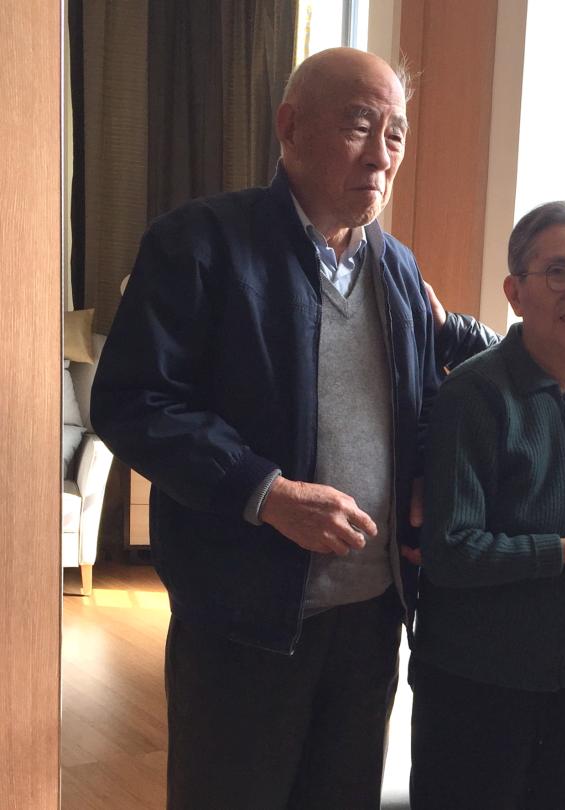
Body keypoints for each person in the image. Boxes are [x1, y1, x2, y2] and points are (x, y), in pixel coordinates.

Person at [92, 47, 444, 810]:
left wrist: (423, 484)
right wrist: (267, 492)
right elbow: (133, 400)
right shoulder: (200, 244)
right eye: (360, 125)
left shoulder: (400, 271)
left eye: (395, 134)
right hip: (243, 617)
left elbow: (420, 410)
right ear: (289, 127)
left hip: (370, 618)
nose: (381, 156)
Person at [410, 202, 565, 810]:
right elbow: (452, 552)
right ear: (515, 292)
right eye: (559, 272)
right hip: (476, 682)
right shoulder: (475, 394)